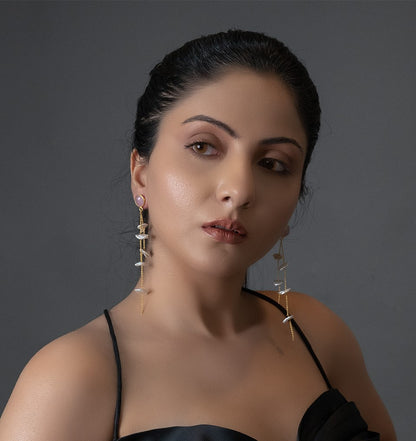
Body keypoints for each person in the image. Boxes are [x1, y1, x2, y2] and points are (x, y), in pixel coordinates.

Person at [0, 30, 396, 441]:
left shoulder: (316, 333)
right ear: (141, 174)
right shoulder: (71, 379)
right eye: (204, 147)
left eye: (273, 164)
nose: (239, 191)